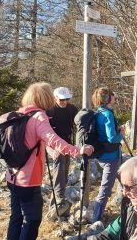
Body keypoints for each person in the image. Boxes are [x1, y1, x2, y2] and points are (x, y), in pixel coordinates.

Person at [5, 82, 94, 240]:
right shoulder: (39, 117)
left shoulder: (15, 115)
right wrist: (79, 150)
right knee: (31, 221)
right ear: (47, 98)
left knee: (16, 217)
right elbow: (54, 140)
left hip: (11, 176)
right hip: (29, 179)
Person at [91, 87, 125, 223]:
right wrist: (121, 134)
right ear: (108, 98)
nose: (114, 96)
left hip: (102, 154)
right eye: (112, 95)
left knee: (120, 181)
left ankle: (127, 207)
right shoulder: (108, 114)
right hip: (111, 156)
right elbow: (111, 138)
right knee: (105, 188)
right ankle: (96, 220)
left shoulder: (99, 112)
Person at [46, 87, 78, 217]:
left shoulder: (72, 109)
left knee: (64, 171)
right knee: (59, 162)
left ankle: (58, 202)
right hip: (52, 143)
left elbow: (78, 122)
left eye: (67, 99)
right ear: (55, 98)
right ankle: (59, 197)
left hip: (66, 143)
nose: (65, 102)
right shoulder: (49, 111)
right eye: (62, 99)